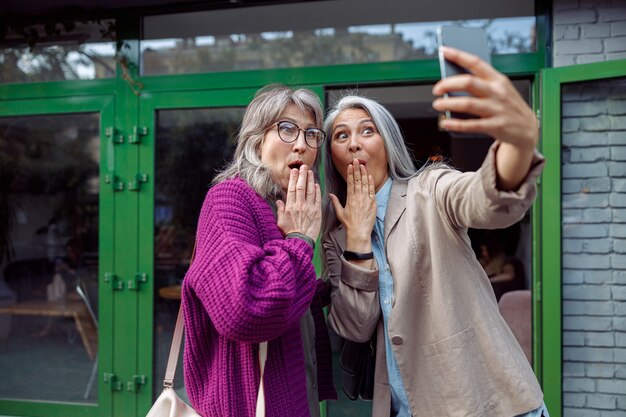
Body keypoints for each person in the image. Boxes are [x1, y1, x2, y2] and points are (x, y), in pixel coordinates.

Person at [321, 46, 549, 417]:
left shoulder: (430, 188)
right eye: (340, 136)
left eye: (367, 130)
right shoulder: (336, 235)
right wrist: (359, 241)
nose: (355, 143)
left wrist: (518, 143)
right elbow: (355, 327)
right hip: (404, 405)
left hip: (485, 399)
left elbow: (483, 200)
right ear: (332, 154)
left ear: (388, 142)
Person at [181, 85, 336, 417]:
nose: (301, 144)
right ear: (256, 141)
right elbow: (245, 310)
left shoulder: (282, 206)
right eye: (287, 128)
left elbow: (290, 297)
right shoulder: (230, 199)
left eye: (312, 134)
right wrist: (299, 240)